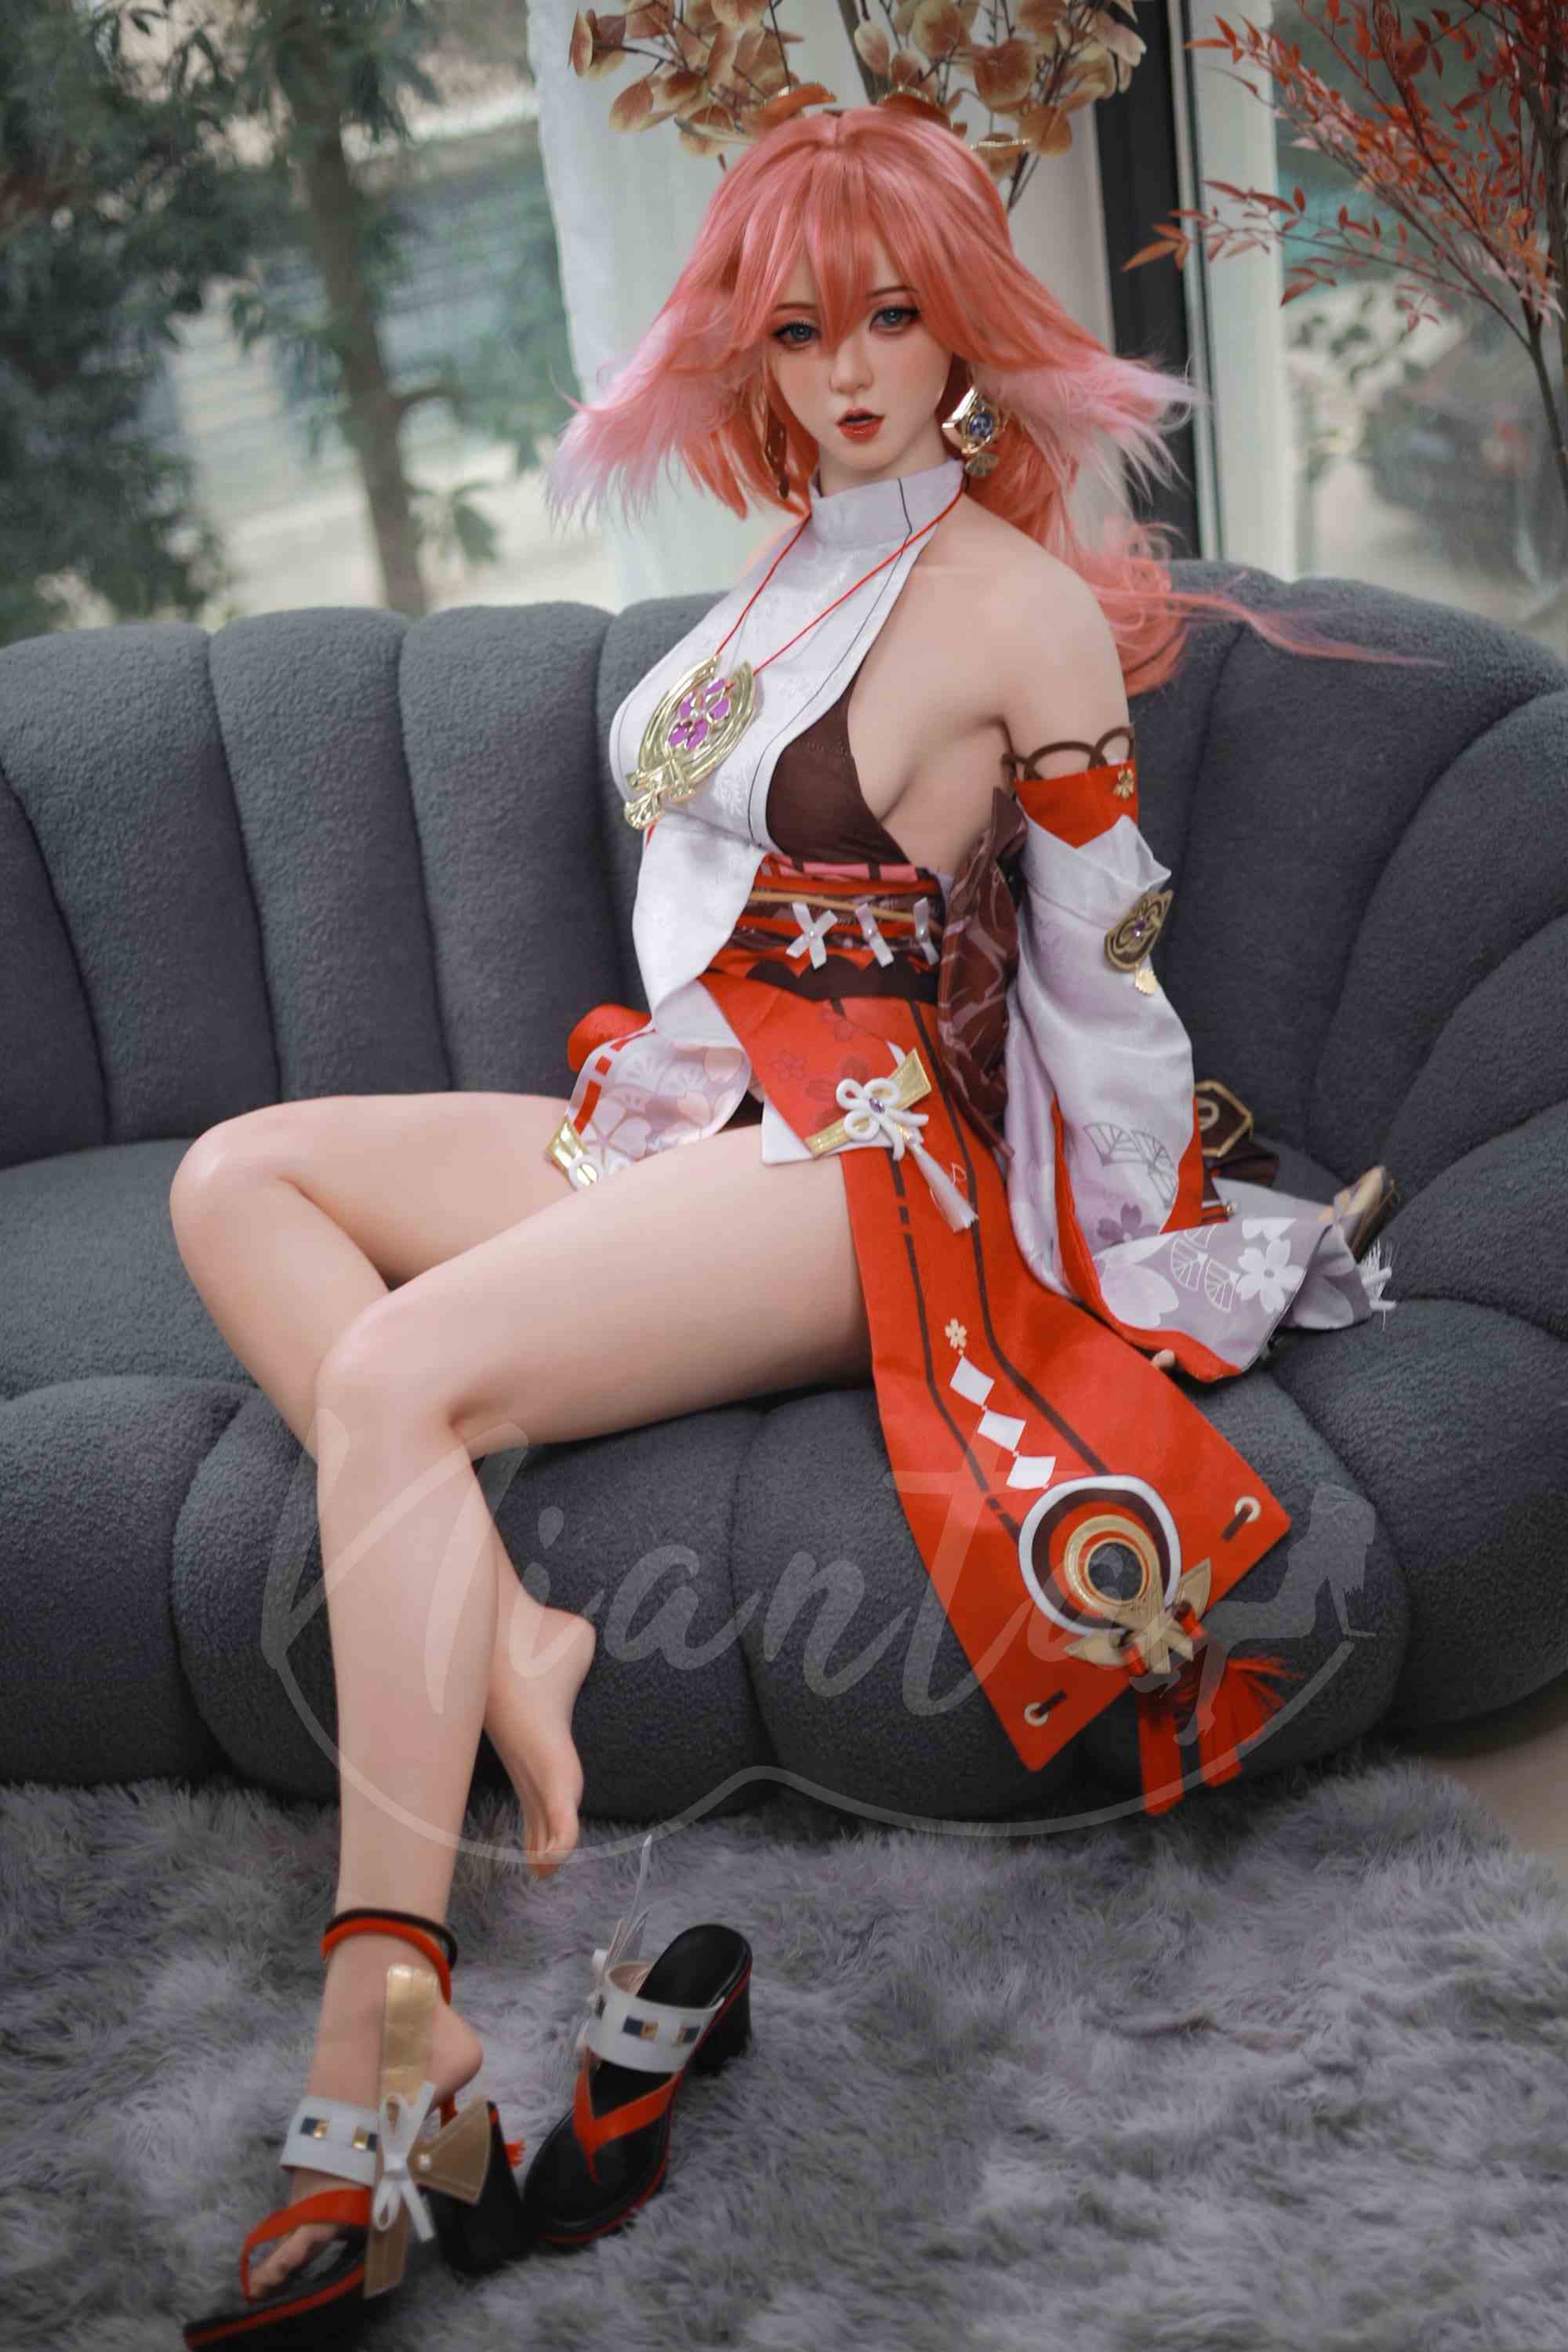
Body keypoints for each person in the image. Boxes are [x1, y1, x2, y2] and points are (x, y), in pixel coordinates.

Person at [169, 104, 1428, 2318]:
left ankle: (384, 2027)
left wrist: (1151, 1249)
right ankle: (505, 1625)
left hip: (862, 1160)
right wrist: (661, 1106)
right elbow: (705, 906)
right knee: (234, 1174)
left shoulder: (1021, 611)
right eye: (798, 328)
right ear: (746, 353)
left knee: (386, 1376)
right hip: (689, 1105)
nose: (849, 369)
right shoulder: (779, 571)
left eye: (894, 316)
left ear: (967, 332)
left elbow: (1099, 989)